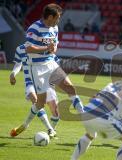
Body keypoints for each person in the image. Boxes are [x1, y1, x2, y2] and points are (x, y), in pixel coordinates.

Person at [10, 3, 84, 138]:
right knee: (40, 103)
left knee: (70, 88)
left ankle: (85, 118)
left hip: (51, 63)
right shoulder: (34, 28)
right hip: (37, 68)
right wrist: (46, 48)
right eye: (58, 17)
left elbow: (54, 45)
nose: (59, 20)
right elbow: (28, 48)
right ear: (50, 17)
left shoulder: (54, 28)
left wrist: (53, 49)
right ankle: (25, 124)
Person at [71, 69, 122, 160]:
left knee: (90, 134)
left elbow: (94, 97)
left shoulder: (115, 84)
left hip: (87, 113)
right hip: (104, 118)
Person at [9, 44, 60, 135]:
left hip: (45, 81)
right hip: (30, 82)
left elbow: (55, 62)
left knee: (55, 111)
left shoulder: (44, 48)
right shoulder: (20, 49)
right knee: (35, 100)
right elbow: (18, 64)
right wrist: (13, 74)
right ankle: (49, 129)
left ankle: (29, 124)